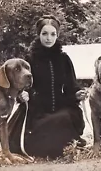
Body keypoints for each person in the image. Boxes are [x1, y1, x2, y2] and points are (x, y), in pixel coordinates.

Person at [9, 15, 87, 159]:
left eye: (53, 34)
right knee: (42, 129)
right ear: (39, 35)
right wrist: (23, 94)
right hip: (36, 108)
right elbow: (21, 85)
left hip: (61, 106)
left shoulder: (64, 59)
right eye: (44, 33)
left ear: (57, 35)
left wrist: (77, 94)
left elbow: (71, 85)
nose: (48, 38)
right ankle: (55, 145)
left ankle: (61, 143)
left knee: (64, 118)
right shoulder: (29, 59)